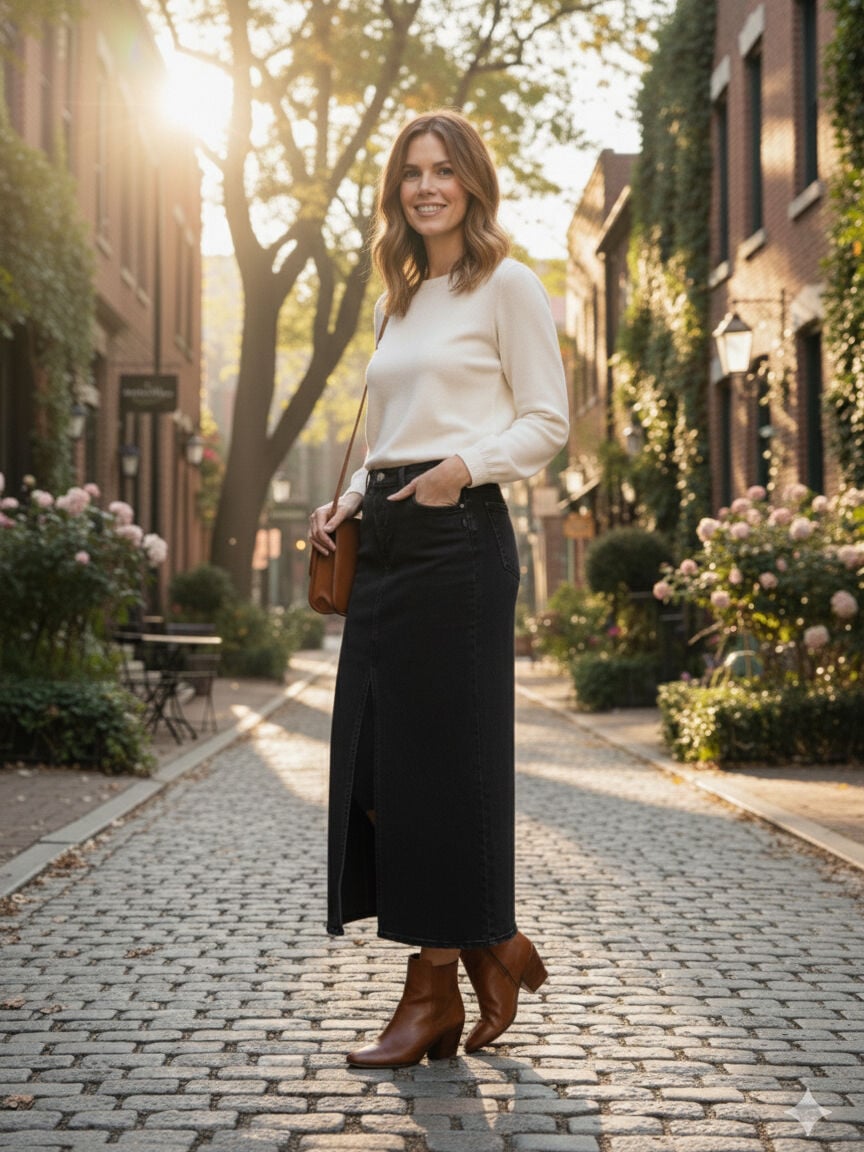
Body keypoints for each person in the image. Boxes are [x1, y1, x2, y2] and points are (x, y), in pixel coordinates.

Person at [308, 108, 569, 1068]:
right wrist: (346, 499)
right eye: (412, 172)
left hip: (459, 537)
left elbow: (546, 423)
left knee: (445, 770)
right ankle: (493, 943)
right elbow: (389, 434)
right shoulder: (398, 300)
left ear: (472, 183)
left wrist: (464, 468)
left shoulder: (508, 285)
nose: (426, 186)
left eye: (444, 169)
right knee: (373, 765)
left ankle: (431, 994)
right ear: (397, 190)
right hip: (385, 536)